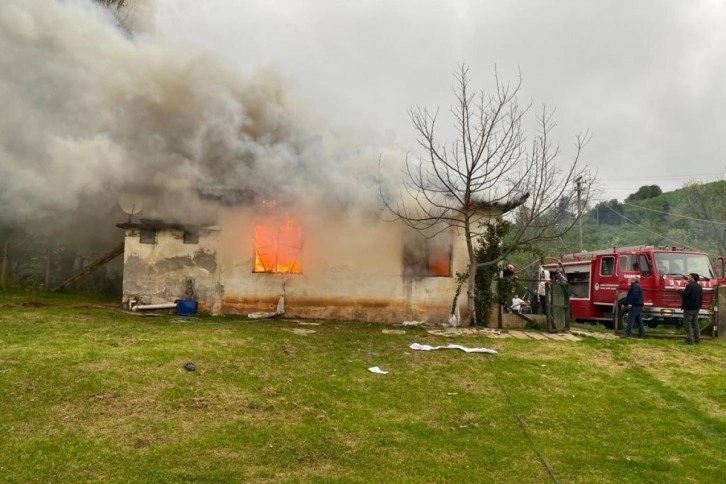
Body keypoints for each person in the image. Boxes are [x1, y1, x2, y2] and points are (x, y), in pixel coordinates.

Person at [678, 273, 703, 344]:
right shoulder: (699, 286)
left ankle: (690, 340)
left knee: (687, 324)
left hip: (689, 308)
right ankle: (697, 339)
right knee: (695, 323)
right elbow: (701, 297)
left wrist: (678, 290)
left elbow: (685, 295)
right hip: (696, 307)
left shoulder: (689, 286)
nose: (688, 278)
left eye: (689, 277)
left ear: (693, 278)